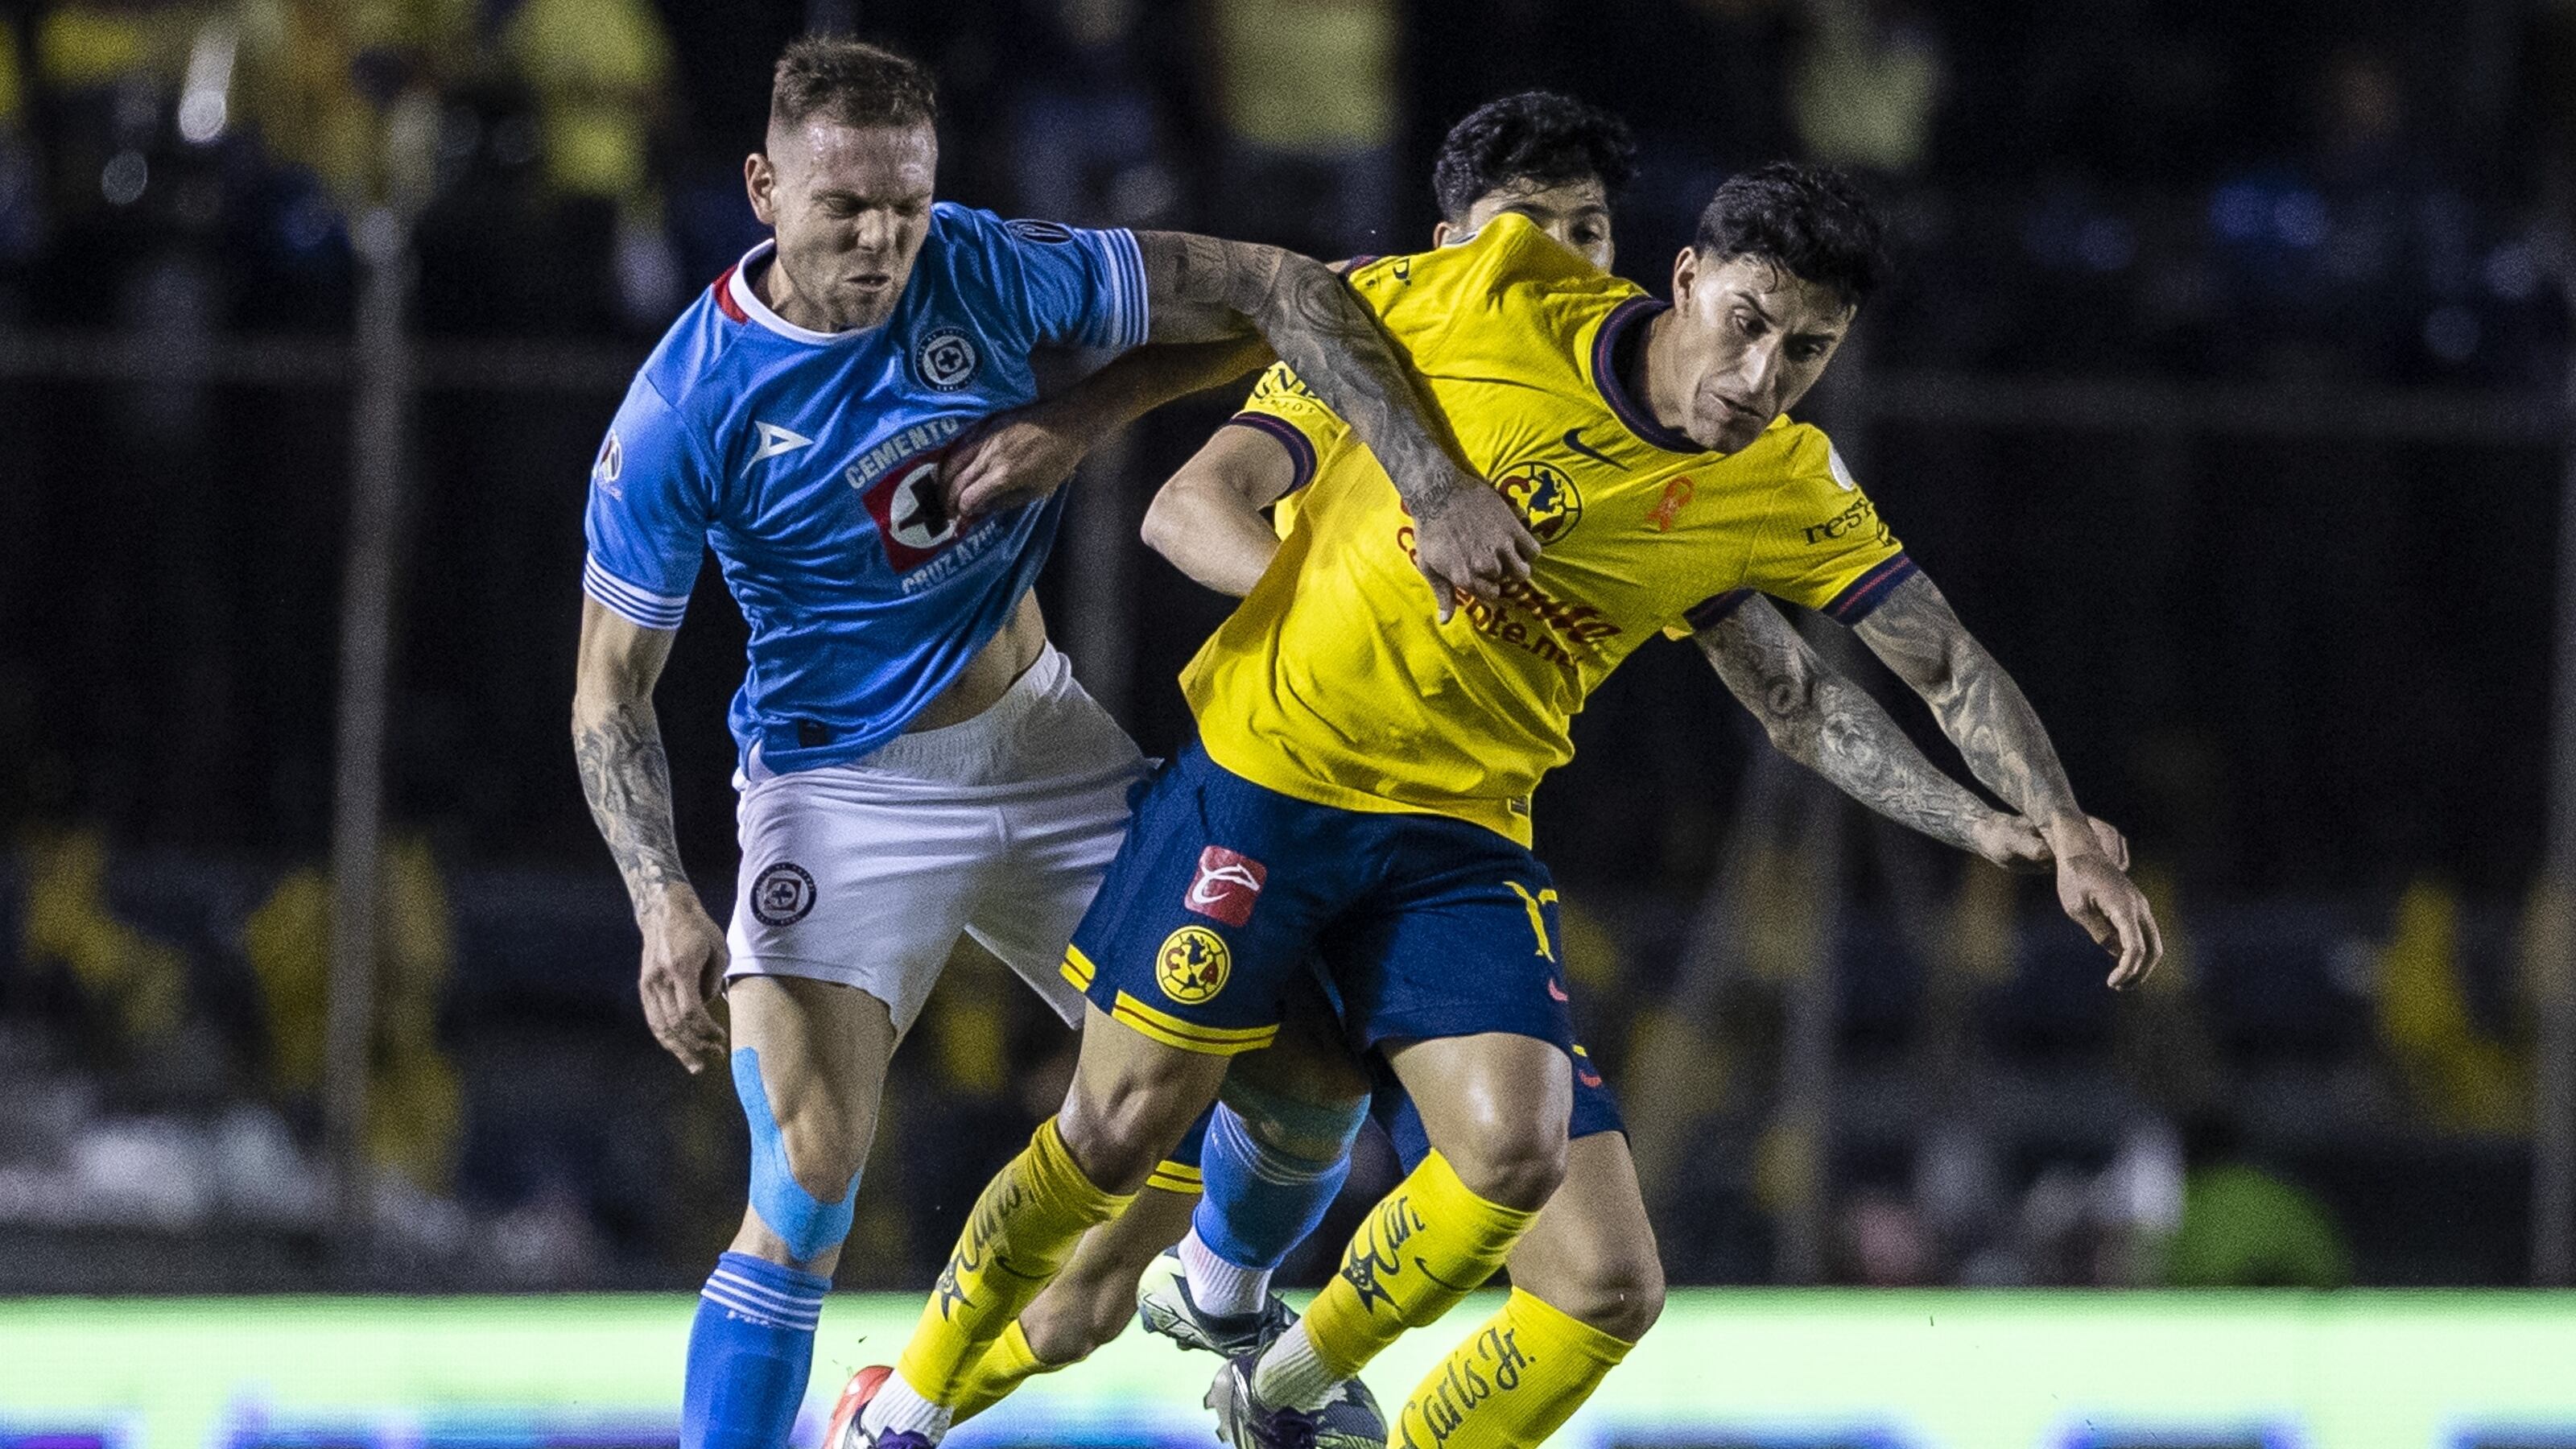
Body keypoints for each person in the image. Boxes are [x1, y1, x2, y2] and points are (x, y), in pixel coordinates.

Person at [847, 143, 2162, 1447]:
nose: (1764, 376)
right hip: (1268, 790)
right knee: (1110, 1155)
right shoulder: (1486, 297)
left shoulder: (1772, 485)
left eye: (1807, 350)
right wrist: (1388, 505)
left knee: (1583, 1256)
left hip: (1456, 844)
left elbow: (1893, 673)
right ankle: (898, 1412)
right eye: (1749, 325)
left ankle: (1284, 1385)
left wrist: (2039, 824)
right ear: (1687, 278)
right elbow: (1272, 326)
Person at [568, 35, 1534, 1449]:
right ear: (765, 189)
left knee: (1309, 1075)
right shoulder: (683, 407)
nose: (885, 238)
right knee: (808, 1184)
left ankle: (1226, 1303)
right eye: (846, 207)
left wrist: (1076, 420)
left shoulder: (987, 263)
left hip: (1043, 748)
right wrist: (661, 894)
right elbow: (609, 691)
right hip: (835, 797)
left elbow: (1276, 292)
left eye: (907, 200)